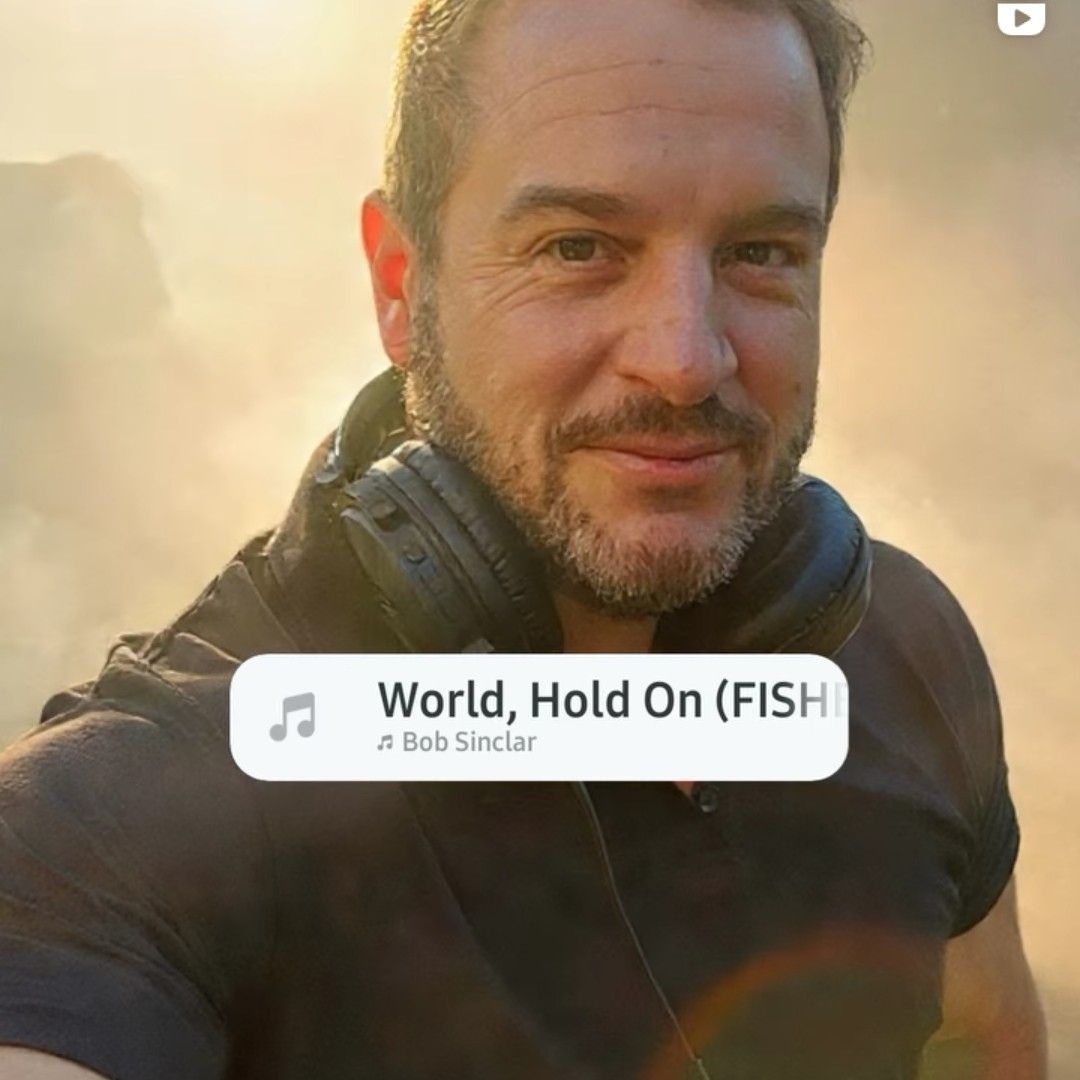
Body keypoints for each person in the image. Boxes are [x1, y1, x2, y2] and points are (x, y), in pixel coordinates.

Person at [0, 0, 1048, 1077]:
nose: (685, 360)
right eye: (577, 247)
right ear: (401, 286)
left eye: (760, 251)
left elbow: (982, 1038)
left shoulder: (903, 646)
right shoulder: (121, 815)